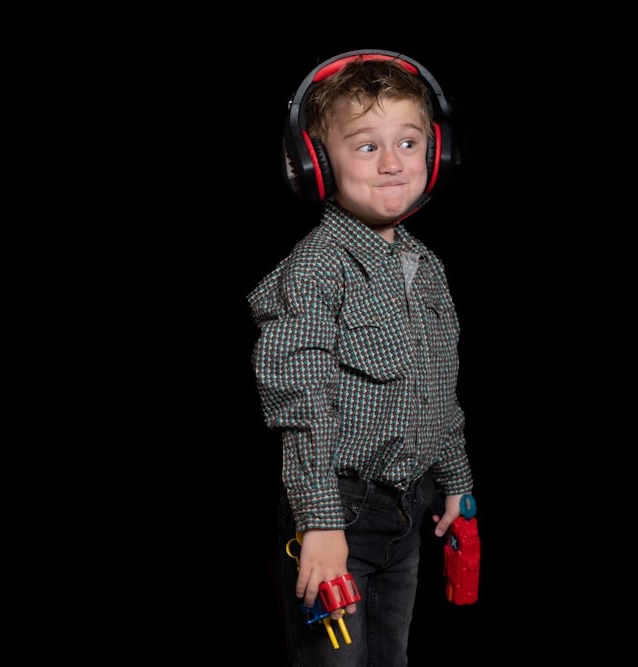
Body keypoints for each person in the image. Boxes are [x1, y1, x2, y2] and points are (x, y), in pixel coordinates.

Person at [248, 49, 475, 666]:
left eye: (408, 141)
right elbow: (302, 401)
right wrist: (320, 525)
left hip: (409, 507)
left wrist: (455, 482)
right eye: (366, 146)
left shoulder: (427, 269)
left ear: (438, 152)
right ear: (317, 164)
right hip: (340, 508)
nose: (393, 162)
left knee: (389, 654)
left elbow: (439, 384)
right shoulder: (316, 270)